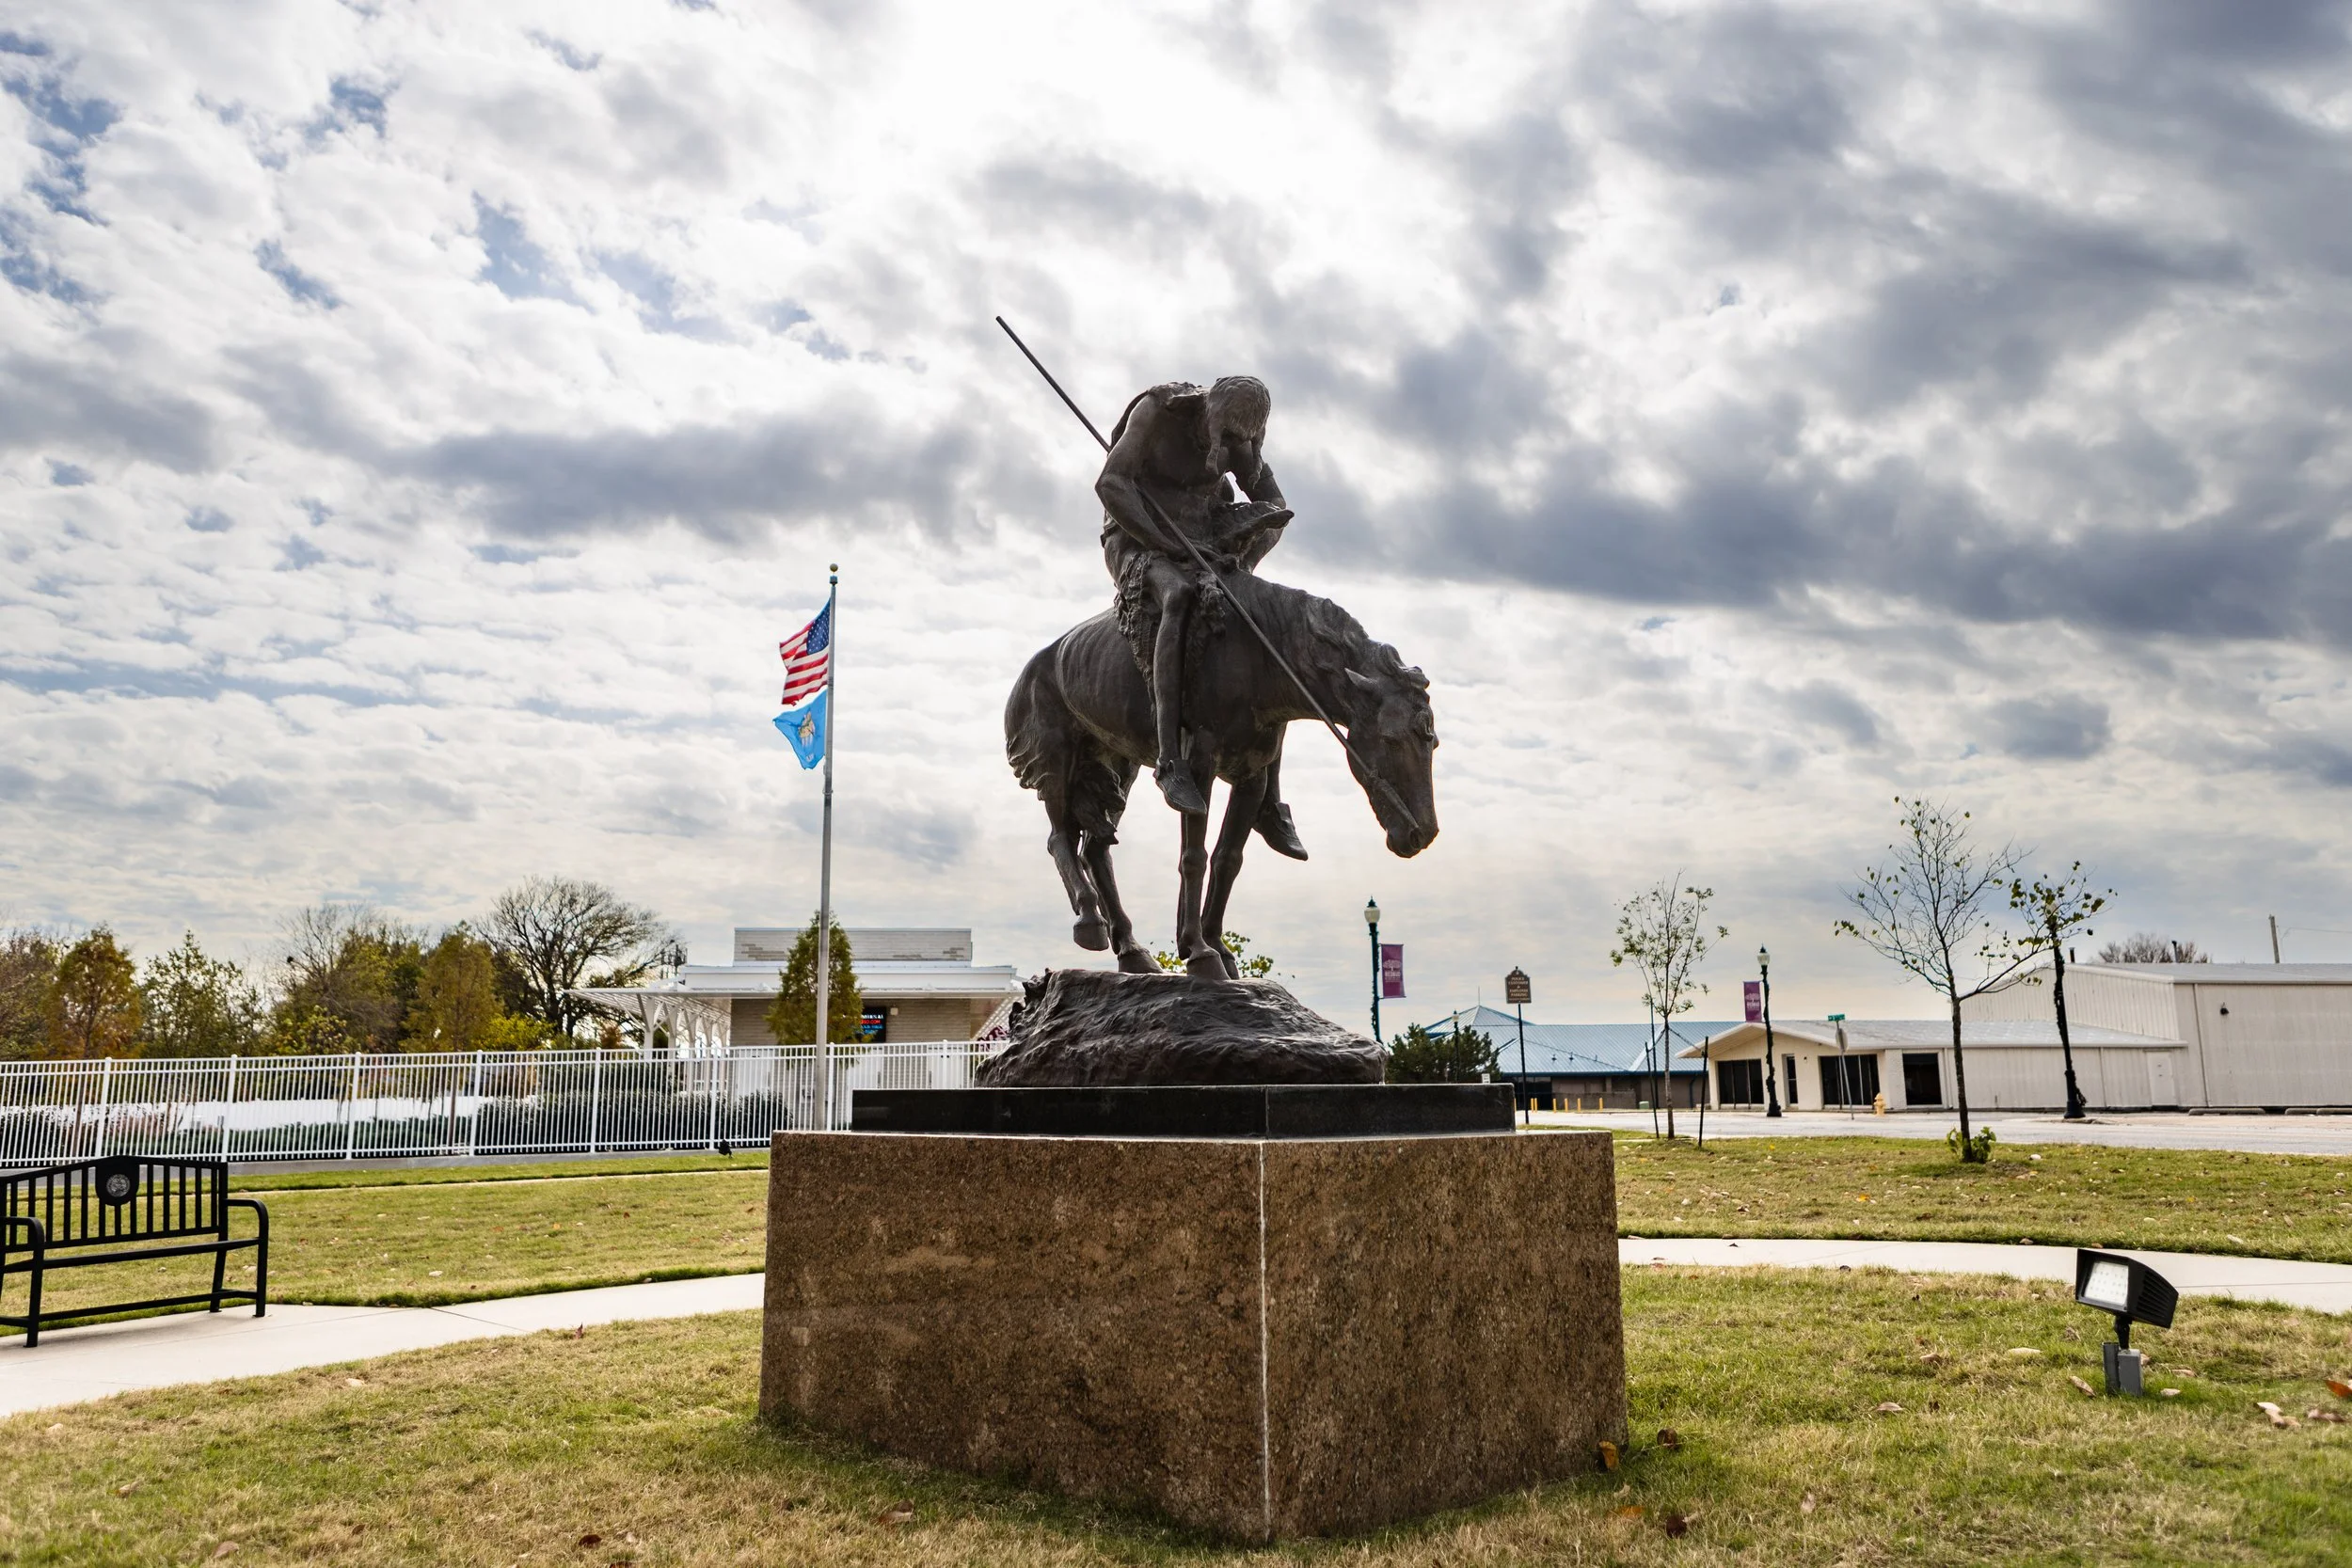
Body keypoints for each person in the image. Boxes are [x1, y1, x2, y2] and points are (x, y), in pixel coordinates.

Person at [1094, 374, 1307, 858]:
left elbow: (1275, 505)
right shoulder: (1158, 411)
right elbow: (1110, 484)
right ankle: (1171, 762)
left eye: (1242, 440)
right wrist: (1168, 545)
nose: (1232, 447)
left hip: (1208, 547)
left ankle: (1269, 799)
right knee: (1179, 597)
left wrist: (1245, 548)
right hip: (1138, 541)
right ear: (1210, 413)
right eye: (1225, 436)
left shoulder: (1243, 443)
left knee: (1257, 627)